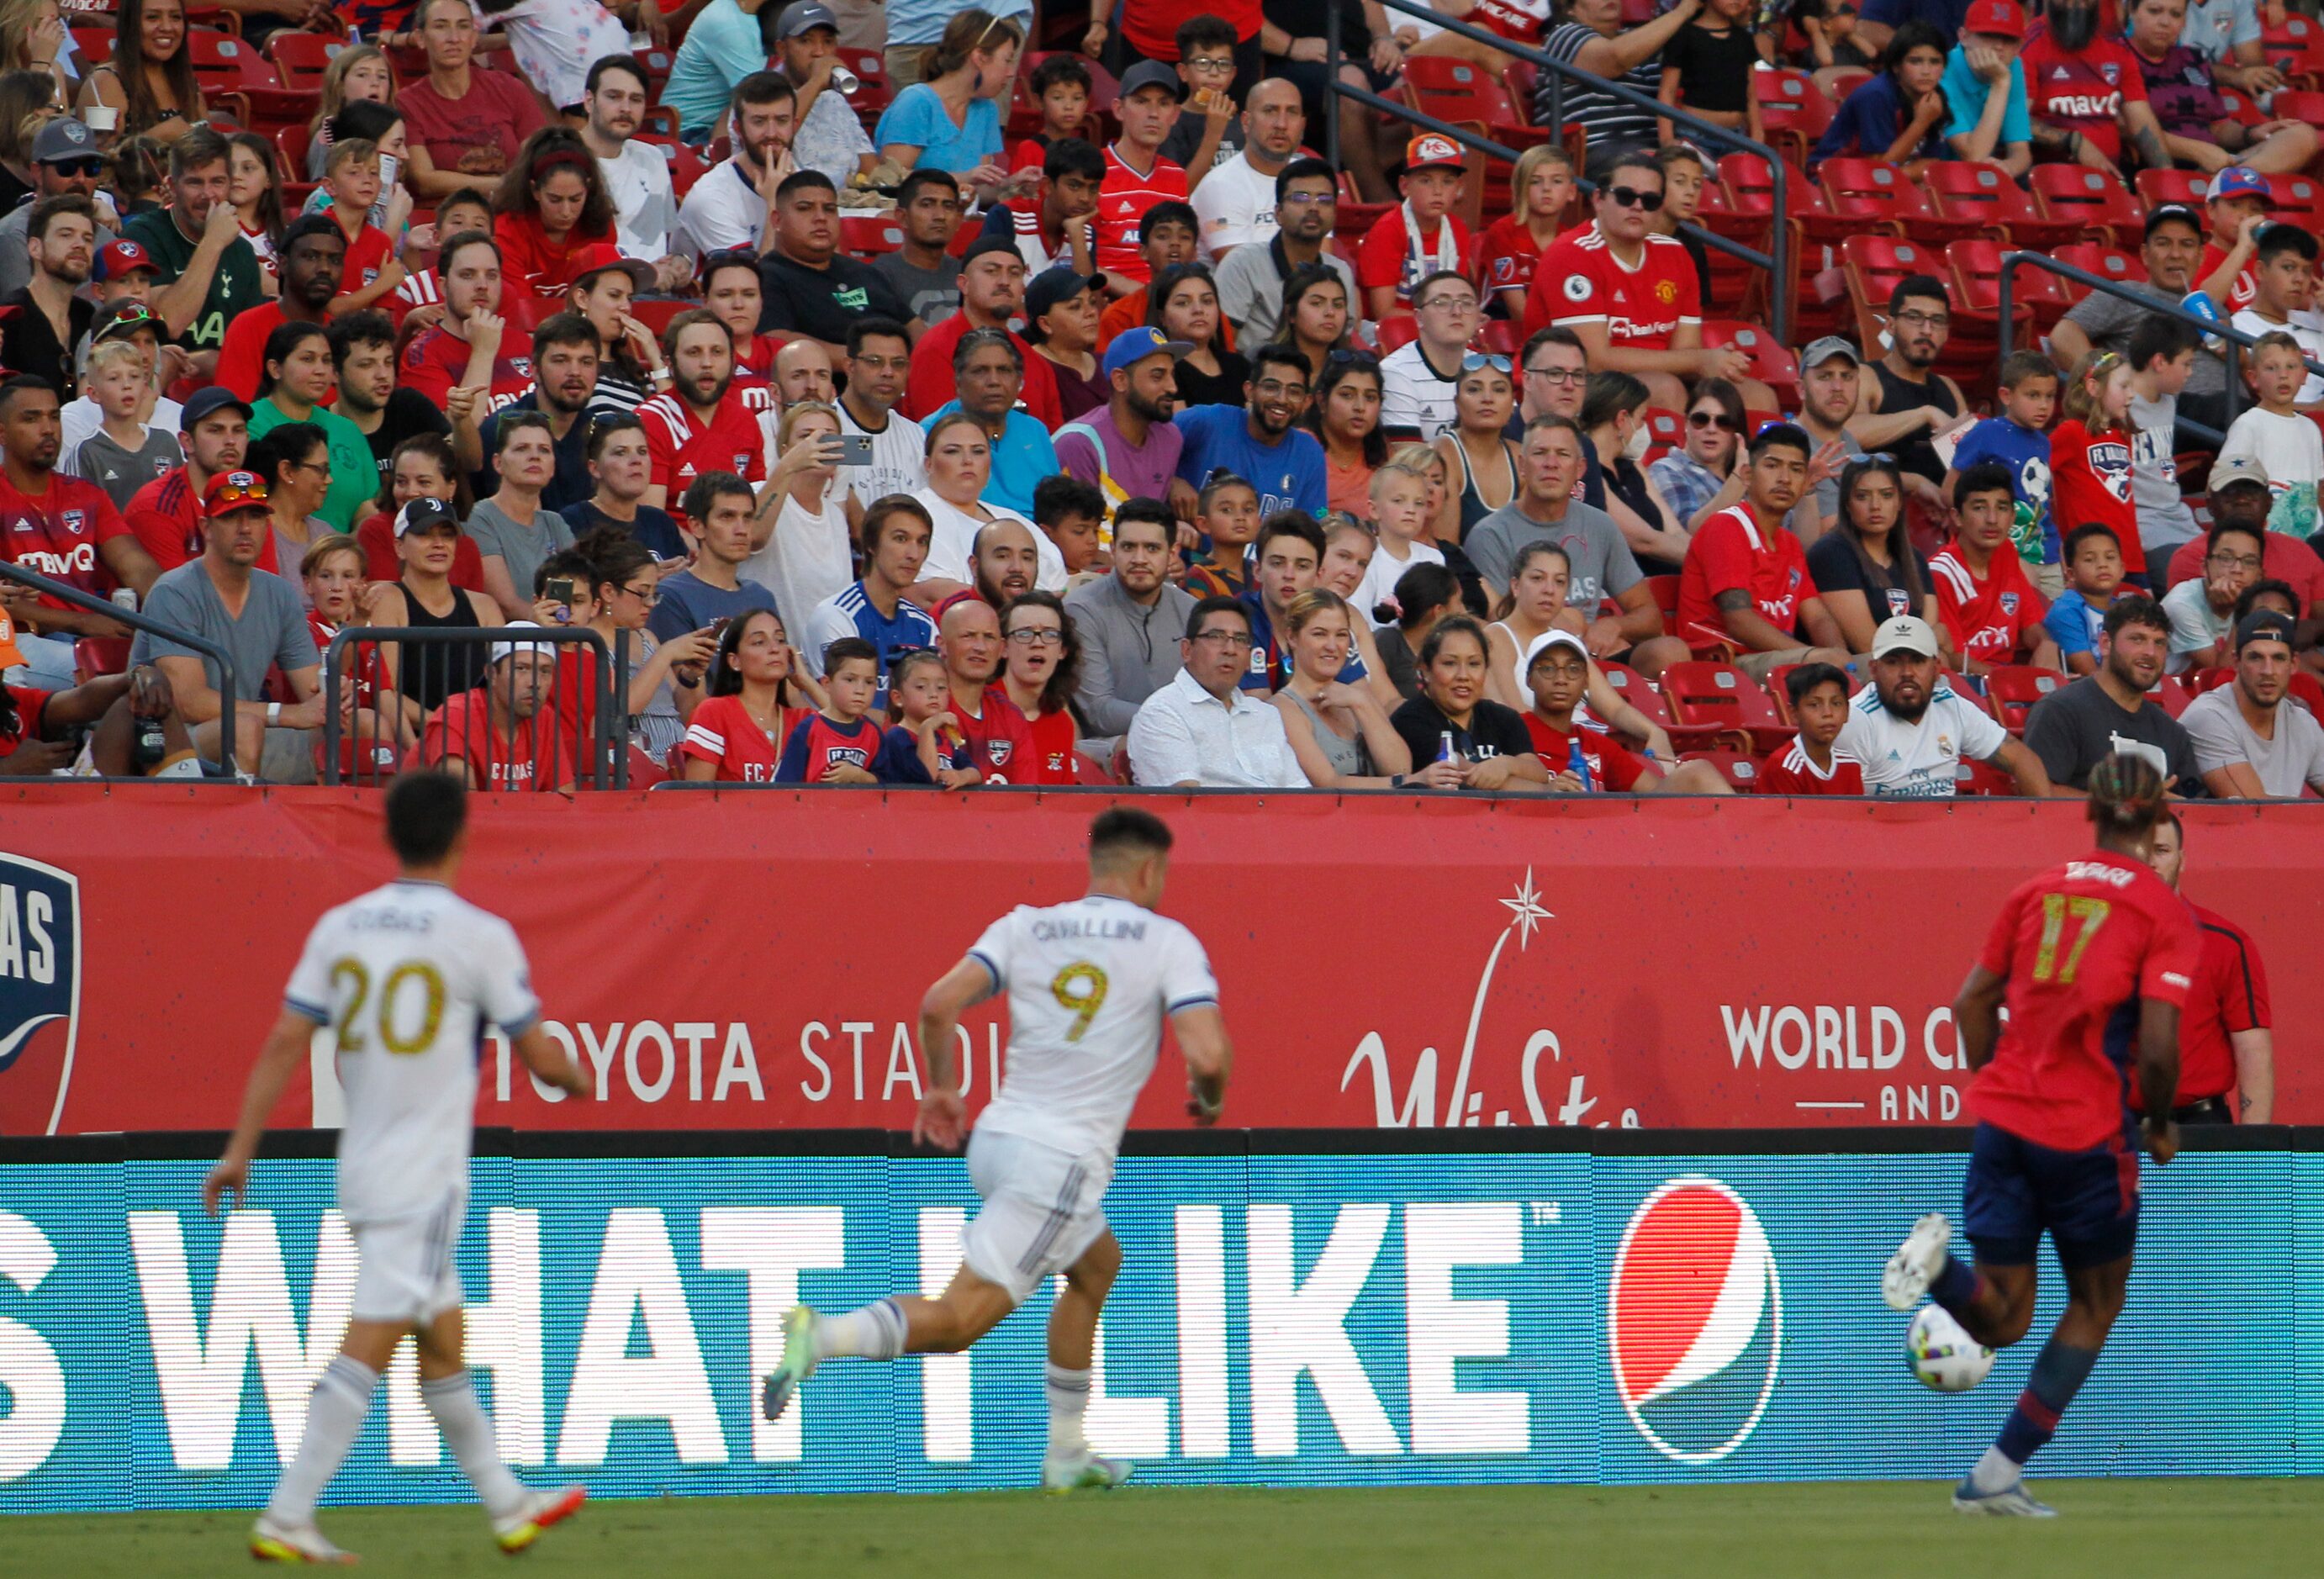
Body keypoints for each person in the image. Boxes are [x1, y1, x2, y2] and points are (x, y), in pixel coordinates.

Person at [763, 805, 1228, 1487]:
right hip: (1060, 1161)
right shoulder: (1166, 940)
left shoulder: (1026, 924)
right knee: (958, 1322)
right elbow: (1209, 1055)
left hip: (999, 1138)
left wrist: (944, 1088)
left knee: (1097, 1266)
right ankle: (824, 1336)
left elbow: (937, 1004)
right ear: (1151, 870)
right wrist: (1210, 1101)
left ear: (1095, 864)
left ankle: (1067, 1453)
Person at [203, 773, 589, 1561]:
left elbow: (284, 1039)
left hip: (364, 1165)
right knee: (372, 1339)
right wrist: (576, 1077)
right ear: (461, 836)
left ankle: (509, 1504)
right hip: (423, 1177)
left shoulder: (341, 926)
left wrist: (241, 1148)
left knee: (440, 1340)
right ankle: (288, 1512)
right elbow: (539, 1054)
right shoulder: (477, 932)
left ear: (390, 834)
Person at [1879, 751, 2197, 1518]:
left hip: (2005, 1121)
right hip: (2083, 1131)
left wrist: (2000, 1086)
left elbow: (1969, 1004)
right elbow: (2156, 1048)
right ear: (2156, 818)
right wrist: (2157, 1121)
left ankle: (1940, 1281)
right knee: (2095, 1302)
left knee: (2003, 1315)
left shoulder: (2035, 890)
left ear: (2087, 810)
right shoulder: (2161, 912)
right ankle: (2000, 1469)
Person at [128, 467, 320, 779]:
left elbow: (311, 689)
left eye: (256, 517)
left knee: (361, 726)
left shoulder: (280, 593)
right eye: (231, 518)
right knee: (243, 730)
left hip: (245, 730)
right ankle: (242, 828)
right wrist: (284, 714)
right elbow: (188, 702)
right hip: (169, 741)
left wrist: (334, 699)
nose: (245, 529)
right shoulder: (173, 591)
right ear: (207, 527)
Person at [1525, 153, 1746, 417]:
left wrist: (1718, 363)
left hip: (1657, 378)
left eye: (1650, 201)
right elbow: (1593, 360)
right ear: (1599, 200)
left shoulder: (1676, 254)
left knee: (1750, 396)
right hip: (1569, 383)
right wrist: (1701, 360)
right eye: (1626, 196)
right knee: (1667, 389)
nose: (1638, 207)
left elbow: (1684, 351)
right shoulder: (1571, 254)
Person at [0, 374, 161, 689]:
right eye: (31, 419)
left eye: (54, 417)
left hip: (92, 635)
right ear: (1, 433)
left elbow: (137, 567)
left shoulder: (88, 496)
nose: (48, 429)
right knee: (123, 681)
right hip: (22, 640)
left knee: (172, 667)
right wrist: (84, 622)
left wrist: (181, 609)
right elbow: (6, 603)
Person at [1676, 422, 1851, 680]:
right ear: (1747, 476)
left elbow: (1817, 618)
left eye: (1796, 470)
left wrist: (1841, 657)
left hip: (1776, 659)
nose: (1784, 478)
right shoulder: (1727, 525)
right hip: (1728, 664)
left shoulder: (1789, 542)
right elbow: (1739, 621)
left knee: (1881, 667)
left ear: (1805, 484)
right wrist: (1817, 658)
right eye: (1772, 466)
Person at [2050, 205, 2229, 435]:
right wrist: (2109, 382)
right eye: (2163, 243)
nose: (2175, 254)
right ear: (2145, 254)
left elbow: (2249, 367)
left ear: (2201, 255)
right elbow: (2063, 335)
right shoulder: (2128, 293)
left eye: (2187, 244)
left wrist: (2231, 349)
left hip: (2230, 413)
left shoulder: (2213, 307)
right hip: (2168, 414)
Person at [2145, 813, 2274, 1124]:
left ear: (2182, 860)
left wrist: (2252, 1153)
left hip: (2201, 1128)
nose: (2149, 862)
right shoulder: (2093, 940)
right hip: (2114, 1131)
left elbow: (2252, 1052)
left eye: (2162, 851)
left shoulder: (2226, 943)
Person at [1837, 614, 2052, 796]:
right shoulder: (1855, 720)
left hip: (1946, 832)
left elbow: (2023, 759)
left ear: (1937, 668)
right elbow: (1845, 814)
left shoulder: (1951, 705)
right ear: (1874, 669)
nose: (1907, 672)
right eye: (1893, 662)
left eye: (1918, 661)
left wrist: (2042, 824)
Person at [2022, 594, 2207, 792]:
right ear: (2105, 643)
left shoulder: (2172, 733)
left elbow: (2193, 806)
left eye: (2160, 643)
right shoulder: (2060, 711)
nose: (2151, 653)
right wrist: (2126, 805)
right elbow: (2036, 793)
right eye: (2137, 639)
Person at [1127, 593, 1304, 787]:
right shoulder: (1163, 712)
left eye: (1240, 639)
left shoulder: (1265, 715)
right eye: (1216, 637)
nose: (1230, 649)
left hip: (1282, 815)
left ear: (1249, 659)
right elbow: (1186, 803)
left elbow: (1300, 793)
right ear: (1187, 650)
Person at [1066, 499, 1196, 753]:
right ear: (1113, 550)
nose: (1139, 559)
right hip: (1111, 752)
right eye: (1128, 547)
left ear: (1172, 554)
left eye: (1151, 548)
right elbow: (1099, 712)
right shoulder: (1081, 610)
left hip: (1187, 744)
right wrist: (1175, 722)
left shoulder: (1192, 611)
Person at [2131, 0, 2318, 175]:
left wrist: (2250, 134)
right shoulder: (2118, 58)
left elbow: (2219, 128)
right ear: (2131, 11)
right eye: (2154, 11)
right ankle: (2227, 184)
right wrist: (2198, 152)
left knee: (2302, 134)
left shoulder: (2193, 59)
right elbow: (2127, 130)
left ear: (2184, 21)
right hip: (2161, 168)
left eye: (2176, 14)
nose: (2165, 22)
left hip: (2212, 165)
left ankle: (2225, 182)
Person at [758, 172, 916, 362]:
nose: (820, 218)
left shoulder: (866, 272)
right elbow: (776, 340)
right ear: (777, 220)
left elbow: (913, 325)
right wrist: (863, 362)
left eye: (829, 209)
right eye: (805, 208)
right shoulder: (766, 277)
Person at [367, 496, 505, 717]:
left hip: (477, 738)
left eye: (447, 535)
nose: (438, 543)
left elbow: (502, 688)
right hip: (414, 741)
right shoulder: (387, 600)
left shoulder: (485, 607)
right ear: (399, 547)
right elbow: (386, 692)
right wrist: (443, 729)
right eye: (424, 534)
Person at [906, 235, 1064, 426]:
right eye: (992, 271)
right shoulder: (937, 348)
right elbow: (941, 437)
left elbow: (1051, 441)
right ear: (964, 284)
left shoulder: (1035, 361)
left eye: (1014, 273)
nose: (1004, 281)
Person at [398, 0, 547, 199]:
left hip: (511, 210)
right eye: (441, 26)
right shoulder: (408, 102)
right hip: (444, 217)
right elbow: (423, 180)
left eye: (463, 26)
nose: (454, 38)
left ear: (474, 38)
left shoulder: (509, 87)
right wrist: (507, 184)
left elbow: (539, 158)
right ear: (421, 38)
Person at [1265, 587, 1412, 788]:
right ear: (1292, 637)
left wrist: (1361, 703)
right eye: (1320, 634)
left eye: (1341, 635)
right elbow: (1328, 784)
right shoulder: (1282, 708)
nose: (1333, 646)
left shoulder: (1355, 699)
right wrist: (1412, 782)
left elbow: (1400, 768)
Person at [1387, 614, 1550, 791]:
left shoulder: (1504, 717)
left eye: (1474, 664)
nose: (1463, 676)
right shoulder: (1410, 719)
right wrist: (1548, 792)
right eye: (1450, 663)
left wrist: (1507, 764)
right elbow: (1468, 776)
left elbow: (1538, 772)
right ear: (1425, 670)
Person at [1851, 273, 1970, 512]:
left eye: (1937, 320)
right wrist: (1924, 415)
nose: (1927, 330)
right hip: (1877, 516)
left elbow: (1968, 463)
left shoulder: (1949, 388)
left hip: (1942, 522)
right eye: (1914, 318)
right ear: (1890, 325)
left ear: (1946, 332)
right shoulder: (1867, 376)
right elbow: (1847, 435)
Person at [247, 321, 378, 534]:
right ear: (275, 369)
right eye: (307, 359)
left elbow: (370, 504)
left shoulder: (347, 430)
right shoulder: (249, 423)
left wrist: (346, 550)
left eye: (326, 361)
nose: (320, 370)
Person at [802, 494, 938, 698]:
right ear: (871, 545)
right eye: (900, 539)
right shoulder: (836, 617)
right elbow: (846, 711)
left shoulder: (924, 625)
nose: (914, 554)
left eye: (922, 542)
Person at [1808, 457, 1943, 658]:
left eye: (1887, 495)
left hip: (1914, 668)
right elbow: (1867, 645)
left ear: (1899, 502)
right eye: (1862, 497)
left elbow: (1930, 632)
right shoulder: (1831, 553)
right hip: (1864, 670)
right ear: (1846, 504)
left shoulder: (1915, 558)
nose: (1875, 506)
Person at [875, 7, 1022, 194]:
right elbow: (891, 181)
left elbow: (978, 191)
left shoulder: (987, 109)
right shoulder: (916, 102)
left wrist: (1012, 185)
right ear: (980, 58)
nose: (1011, 73)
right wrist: (962, 178)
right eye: (1007, 60)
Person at [638, 310, 767, 521]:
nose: (707, 363)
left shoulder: (745, 420)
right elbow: (653, 525)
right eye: (694, 352)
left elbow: (757, 518)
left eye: (717, 352)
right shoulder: (652, 420)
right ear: (670, 364)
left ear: (733, 361)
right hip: (676, 551)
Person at [1931, 464, 2060, 675]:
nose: (1992, 519)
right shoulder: (1942, 571)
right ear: (1957, 517)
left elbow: (2030, 625)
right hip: (1967, 686)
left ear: (2011, 517)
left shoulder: (2006, 552)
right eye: (1979, 508)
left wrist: (2045, 643)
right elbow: (1951, 657)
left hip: (2006, 682)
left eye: (2001, 508)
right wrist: (2008, 681)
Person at [1170, 346, 1327, 518]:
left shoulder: (1309, 452)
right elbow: (1145, 441)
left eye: (1294, 392)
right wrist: (1171, 482)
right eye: (1271, 387)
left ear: (1306, 402)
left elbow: (1317, 518)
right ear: (1249, 391)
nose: (1282, 399)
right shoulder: (1208, 421)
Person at [2181, 608, 2324, 795]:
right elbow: (2256, 811)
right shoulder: (2208, 717)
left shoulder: (2303, 723)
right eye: (2255, 657)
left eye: (2278, 658)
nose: (2268, 670)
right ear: (2236, 662)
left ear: (2294, 664)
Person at [1055, 326, 1189, 522]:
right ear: (1120, 381)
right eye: (1158, 376)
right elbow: (1073, 540)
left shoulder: (1170, 438)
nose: (1172, 387)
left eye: (1172, 375)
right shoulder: (1078, 444)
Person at [747, 399, 853, 642]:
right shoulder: (757, 493)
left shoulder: (835, 515)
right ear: (784, 449)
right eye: (806, 438)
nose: (816, 446)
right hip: (768, 652)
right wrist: (787, 467)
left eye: (827, 438)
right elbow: (751, 535)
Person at [925, 327, 1061, 518]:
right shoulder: (929, 433)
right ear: (958, 381)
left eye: (1004, 370)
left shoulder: (1035, 431)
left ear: (1019, 381)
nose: (994, 381)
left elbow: (1056, 511)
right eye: (980, 371)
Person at [125, 385, 259, 573]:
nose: (230, 440)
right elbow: (178, 596)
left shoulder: (253, 499)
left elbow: (267, 585)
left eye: (237, 430)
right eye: (215, 430)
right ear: (187, 442)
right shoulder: (157, 506)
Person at [679, 605, 818, 783]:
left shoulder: (803, 721)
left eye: (780, 640)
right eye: (759, 642)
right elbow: (695, 797)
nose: (774, 649)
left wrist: (806, 682)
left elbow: (850, 730)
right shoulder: (714, 713)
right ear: (735, 661)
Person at [672, 71, 797, 262]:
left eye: (781, 121)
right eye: (759, 121)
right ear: (738, 129)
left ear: (794, 125)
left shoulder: (802, 179)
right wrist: (774, 203)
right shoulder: (710, 196)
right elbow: (755, 283)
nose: (772, 133)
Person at [1578, 368, 1693, 571]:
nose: (1644, 428)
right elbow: (1644, 541)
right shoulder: (1585, 470)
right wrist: (1710, 562)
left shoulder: (1633, 467)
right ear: (1622, 419)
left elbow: (1675, 531)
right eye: (1642, 419)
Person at [580, 56, 683, 281]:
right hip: (599, 291)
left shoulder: (652, 158)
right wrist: (645, 275)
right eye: (614, 97)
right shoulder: (565, 159)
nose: (626, 108)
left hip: (660, 292)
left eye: (636, 99)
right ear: (589, 101)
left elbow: (659, 238)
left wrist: (680, 263)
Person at [2049, 348, 2146, 587]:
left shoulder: (2124, 435)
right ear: (2093, 388)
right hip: (2090, 560)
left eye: (2132, 387)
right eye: (2124, 387)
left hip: (2130, 558)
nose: (2132, 395)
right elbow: (2035, 471)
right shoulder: (2070, 432)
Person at [1090, 59, 1188, 289]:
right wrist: (1138, 295)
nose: (1153, 113)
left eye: (1163, 103)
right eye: (1141, 101)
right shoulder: (1091, 170)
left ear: (1175, 115)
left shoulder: (1177, 175)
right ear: (1118, 109)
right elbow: (1070, 258)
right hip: (1107, 304)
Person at [2217, 331, 2324, 541]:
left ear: (2303, 375)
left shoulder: (2310, 428)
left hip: (2308, 540)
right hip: (2266, 538)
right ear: (2253, 377)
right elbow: (2227, 482)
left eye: (2291, 367)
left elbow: (2319, 486)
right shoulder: (2249, 424)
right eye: (2271, 368)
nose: (2283, 375)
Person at [1359, 133, 1476, 322]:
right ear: (1405, 186)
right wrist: (1440, 320)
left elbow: (1457, 296)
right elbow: (1383, 313)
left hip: (1439, 325)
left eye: (1447, 181)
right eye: (1426, 181)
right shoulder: (1388, 230)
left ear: (1459, 188)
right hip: (1389, 333)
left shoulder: (1458, 229)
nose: (1438, 191)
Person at [0, 115, 117, 302]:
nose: (80, 178)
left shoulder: (105, 237)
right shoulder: (14, 235)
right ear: (38, 172)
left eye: (90, 168)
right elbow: (25, 316)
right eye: (67, 168)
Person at [649, 471, 782, 635]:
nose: (741, 530)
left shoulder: (761, 597)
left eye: (747, 517)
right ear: (697, 526)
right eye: (727, 517)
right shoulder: (671, 596)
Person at [1812, 19, 1953, 167]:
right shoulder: (1876, 95)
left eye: (1935, 62)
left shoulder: (1935, 96)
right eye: (1915, 61)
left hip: (1886, 178)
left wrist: (1905, 175)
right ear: (1896, 66)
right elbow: (1880, 171)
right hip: (1832, 176)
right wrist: (1921, 123)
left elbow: (1930, 162)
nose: (1926, 71)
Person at [1188, 77, 1303, 254]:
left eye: (1292, 112)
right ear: (1245, 122)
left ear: (1303, 125)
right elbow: (1242, 273)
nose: (1281, 124)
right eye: (1270, 111)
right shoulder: (1221, 186)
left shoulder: (1310, 179)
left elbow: (1322, 257)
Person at [0, 192, 92, 398]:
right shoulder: (11, 317)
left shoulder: (86, 315)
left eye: (87, 238)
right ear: (35, 248)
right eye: (66, 235)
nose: (80, 244)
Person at [833, 317, 928, 516]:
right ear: (850, 367)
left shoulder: (916, 435)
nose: (888, 372)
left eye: (898, 364)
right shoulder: (826, 429)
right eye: (874, 362)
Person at [73, 339, 181, 511]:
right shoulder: (87, 451)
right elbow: (81, 515)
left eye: (134, 377)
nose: (127, 385)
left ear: (145, 387)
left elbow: (181, 508)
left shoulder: (166, 442)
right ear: (94, 394)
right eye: (114, 378)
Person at [937, 594, 1036, 780]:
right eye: (968, 636)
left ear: (1002, 649)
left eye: (989, 637)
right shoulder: (923, 707)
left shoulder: (1009, 715)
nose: (980, 647)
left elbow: (1027, 797)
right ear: (941, 645)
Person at [77, 0, 204, 145]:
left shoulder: (188, 82)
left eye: (175, 17)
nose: (167, 27)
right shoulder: (105, 82)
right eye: (152, 17)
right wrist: (156, 138)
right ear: (130, 24)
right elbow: (96, 162)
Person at [1476, 145, 1575, 320]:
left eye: (1557, 181)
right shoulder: (1502, 232)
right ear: (1520, 188)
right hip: (1500, 328)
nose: (1546, 188)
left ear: (1571, 192)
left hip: (1550, 330)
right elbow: (1518, 311)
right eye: (1535, 181)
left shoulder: (1572, 241)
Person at [1936, 0, 2034, 176]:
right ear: (1964, 37)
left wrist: (2008, 167)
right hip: (1939, 178)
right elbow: (1974, 156)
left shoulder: (2013, 66)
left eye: (2009, 39)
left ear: (2019, 47)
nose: (1998, 46)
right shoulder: (1942, 69)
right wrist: (2001, 83)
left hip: (1979, 182)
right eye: (1988, 35)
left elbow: (2020, 150)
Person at [992, 591, 1081, 783]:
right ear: (1003, 648)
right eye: (1024, 634)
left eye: (1050, 634)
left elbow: (1062, 803)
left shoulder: (1061, 724)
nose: (1038, 643)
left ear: (1062, 651)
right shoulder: (980, 709)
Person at [981, 138, 1097, 283]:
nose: (1085, 198)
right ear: (1047, 186)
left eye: (1093, 189)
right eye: (1074, 186)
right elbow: (989, 288)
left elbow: (1089, 299)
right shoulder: (1007, 216)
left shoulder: (1085, 231)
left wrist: (1076, 234)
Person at [1380, 268, 1476, 444]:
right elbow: (1409, 458)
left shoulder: (1486, 368)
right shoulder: (1395, 372)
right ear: (1419, 318)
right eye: (1442, 302)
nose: (1457, 311)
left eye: (1467, 302)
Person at [1095, 201, 1199, 350]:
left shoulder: (1207, 313)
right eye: (1163, 236)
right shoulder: (1119, 316)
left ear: (1195, 253)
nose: (1175, 243)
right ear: (1143, 252)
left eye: (1184, 237)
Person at [2161, 520, 2263, 673]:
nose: (2237, 569)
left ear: (2259, 576)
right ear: (2204, 567)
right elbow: (2221, 675)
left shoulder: (2260, 601)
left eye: (2249, 562)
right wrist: (2242, 613)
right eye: (2226, 558)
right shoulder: (2180, 605)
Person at [1756, 661, 1867, 794]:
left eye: (1836, 703)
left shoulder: (1851, 765)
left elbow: (1855, 814)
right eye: (1814, 704)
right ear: (1794, 714)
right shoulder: (1784, 767)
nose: (1828, 713)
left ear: (1847, 712)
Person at [1147, 262, 1244, 413]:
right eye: (1183, 303)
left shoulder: (1240, 366)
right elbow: (1181, 431)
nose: (1198, 310)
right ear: (1162, 317)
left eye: (1207, 301)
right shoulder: (1162, 371)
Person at [2043, 522, 2131, 677]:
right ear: (2071, 574)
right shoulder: (2066, 611)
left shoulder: (2126, 610)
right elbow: (2089, 672)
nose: (2102, 565)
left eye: (2110, 557)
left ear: (2122, 569)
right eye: (2090, 560)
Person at [1267, 264, 1354, 390]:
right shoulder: (1266, 363)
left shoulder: (1354, 370)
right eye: (1316, 303)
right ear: (1291, 312)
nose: (1330, 312)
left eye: (1338, 305)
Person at [1183, 470, 1260, 599]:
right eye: (1226, 510)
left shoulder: (1259, 572)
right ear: (1204, 524)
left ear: (1259, 523)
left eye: (1248, 510)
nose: (1240, 517)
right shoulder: (1198, 577)